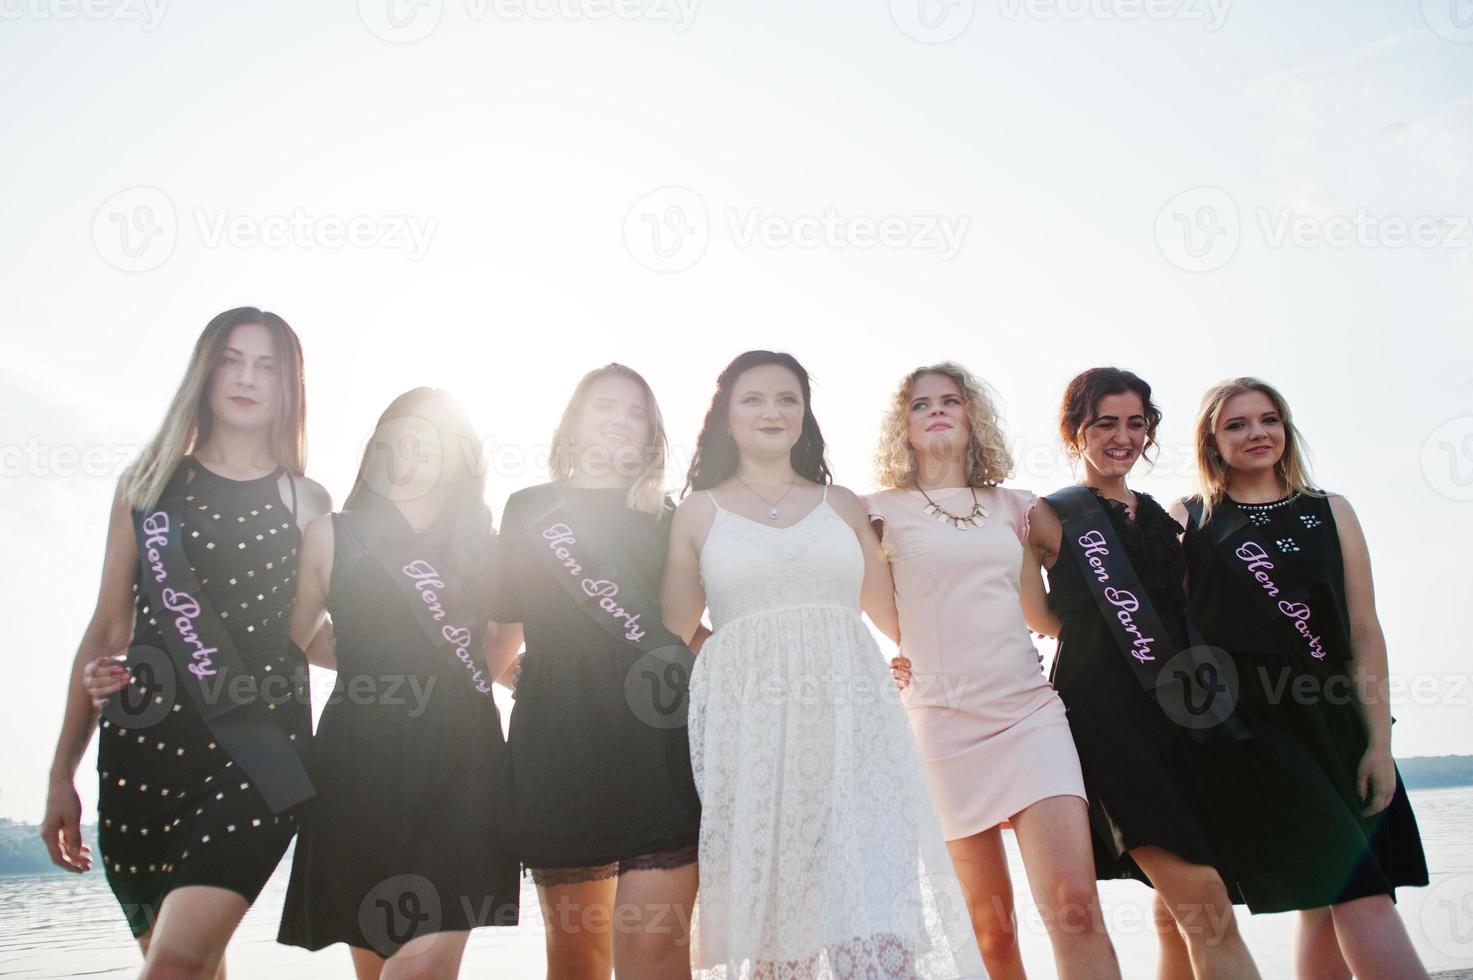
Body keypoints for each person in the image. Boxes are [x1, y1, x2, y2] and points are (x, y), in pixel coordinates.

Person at [662, 350, 983, 979]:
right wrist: (742, 666)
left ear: (805, 415)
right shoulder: (699, 512)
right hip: (758, 744)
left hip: (859, 735)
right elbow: (675, 631)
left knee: (879, 933)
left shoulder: (843, 504)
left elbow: (898, 617)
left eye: (788, 398)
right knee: (783, 948)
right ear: (726, 416)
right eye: (752, 398)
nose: (772, 411)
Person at [44, 306, 332, 979]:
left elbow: (310, 633)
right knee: (195, 968)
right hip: (141, 757)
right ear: (206, 370)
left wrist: (433, 658)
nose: (246, 377)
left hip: (259, 755)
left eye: (266, 365)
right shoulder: (146, 485)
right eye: (232, 359)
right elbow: (107, 629)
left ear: (288, 385)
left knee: (171, 967)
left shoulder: (308, 502)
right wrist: (62, 772)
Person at [866, 362, 1118, 980]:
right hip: (939, 727)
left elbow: (1047, 613)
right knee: (990, 931)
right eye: (921, 404)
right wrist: (878, 670)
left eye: (950, 400)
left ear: (972, 415)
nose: (937, 411)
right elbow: (867, 613)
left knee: (1074, 907)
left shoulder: (1018, 508)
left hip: (1029, 715)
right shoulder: (873, 513)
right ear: (904, 425)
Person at [1173, 377, 1429, 980]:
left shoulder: (1331, 510)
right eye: (1236, 424)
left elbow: (1363, 630)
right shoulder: (1190, 520)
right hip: (1258, 732)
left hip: (1337, 717)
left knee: (1322, 902)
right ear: (1211, 441)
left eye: (1268, 419)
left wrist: (1380, 744)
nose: (1256, 433)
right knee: (1360, 888)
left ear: (1286, 429)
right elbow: (1171, 639)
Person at [273, 388, 520, 977]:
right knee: (376, 963)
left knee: (421, 968)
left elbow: (499, 645)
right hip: (358, 763)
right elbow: (296, 638)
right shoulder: (332, 533)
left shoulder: (489, 547)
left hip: (463, 763)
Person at [1031, 367, 1259, 979]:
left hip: (1178, 722)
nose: (1123, 436)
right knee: (1204, 901)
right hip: (1107, 724)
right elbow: (1043, 620)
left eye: (1136, 423)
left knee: (1173, 911)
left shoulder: (1164, 518)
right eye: (1106, 422)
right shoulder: (1051, 516)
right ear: (1075, 430)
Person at [487, 364, 702, 979]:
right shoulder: (528, 509)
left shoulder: (670, 515)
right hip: (558, 752)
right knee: (578, 957)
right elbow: (502, 636)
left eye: (636, 413)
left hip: (660, 750)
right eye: (605, 407)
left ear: (651, 436)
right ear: (575, 420)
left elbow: (682, 628)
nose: (620, 421)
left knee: (657, 951)